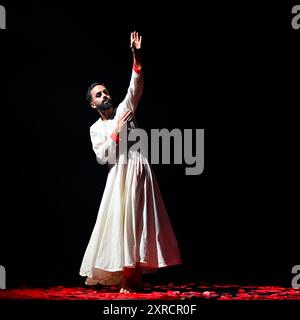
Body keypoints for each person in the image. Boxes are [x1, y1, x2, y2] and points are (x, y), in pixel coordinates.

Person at [79, 32, 182, 293]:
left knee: (139, 223)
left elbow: (135, 87)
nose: (104, 95)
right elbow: (102, 156)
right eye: (98, 95)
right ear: (93, 104)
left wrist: (136, 57)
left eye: (105, 91)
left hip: (138, 169)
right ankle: (126, 275)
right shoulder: (95, 128)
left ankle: (134, 274)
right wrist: (117, 132)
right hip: (118, 175)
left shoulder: (126, 107)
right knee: (120, 223)